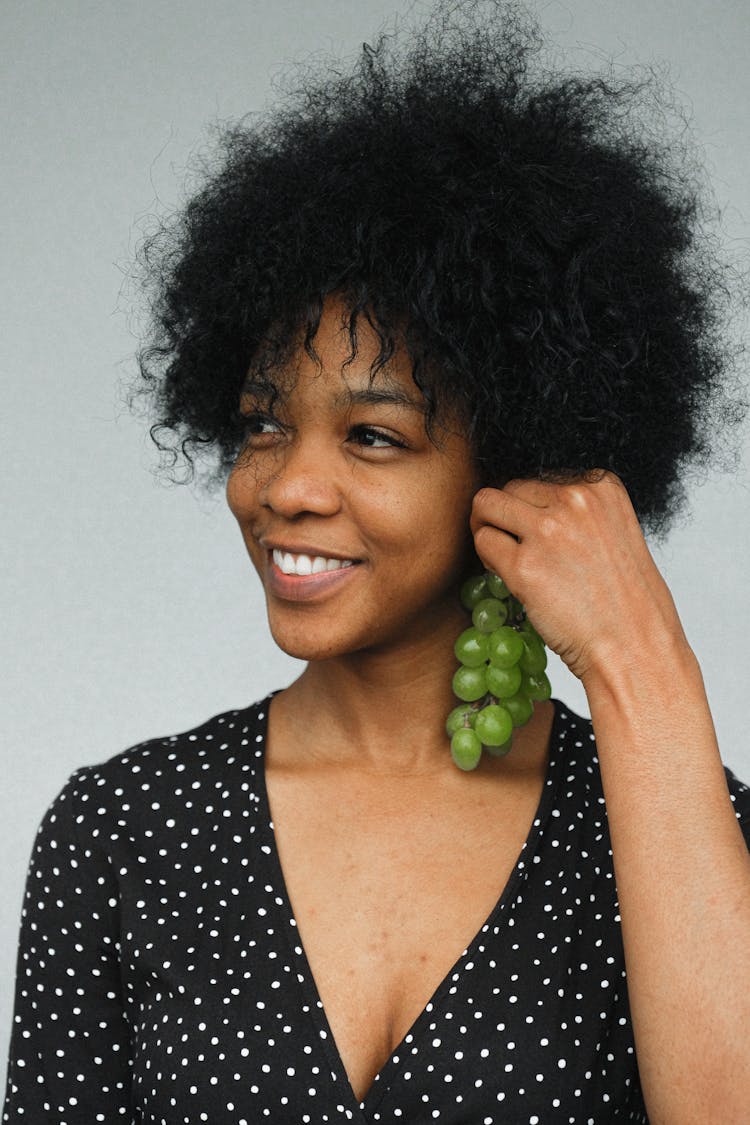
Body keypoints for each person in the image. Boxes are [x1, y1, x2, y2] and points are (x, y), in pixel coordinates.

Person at [3, 2, 750, 1122]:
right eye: (262, 423)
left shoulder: (683, 824)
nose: (287, 487)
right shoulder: (122, 830)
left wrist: (641, 664)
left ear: (518, 468)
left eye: (373, 436)